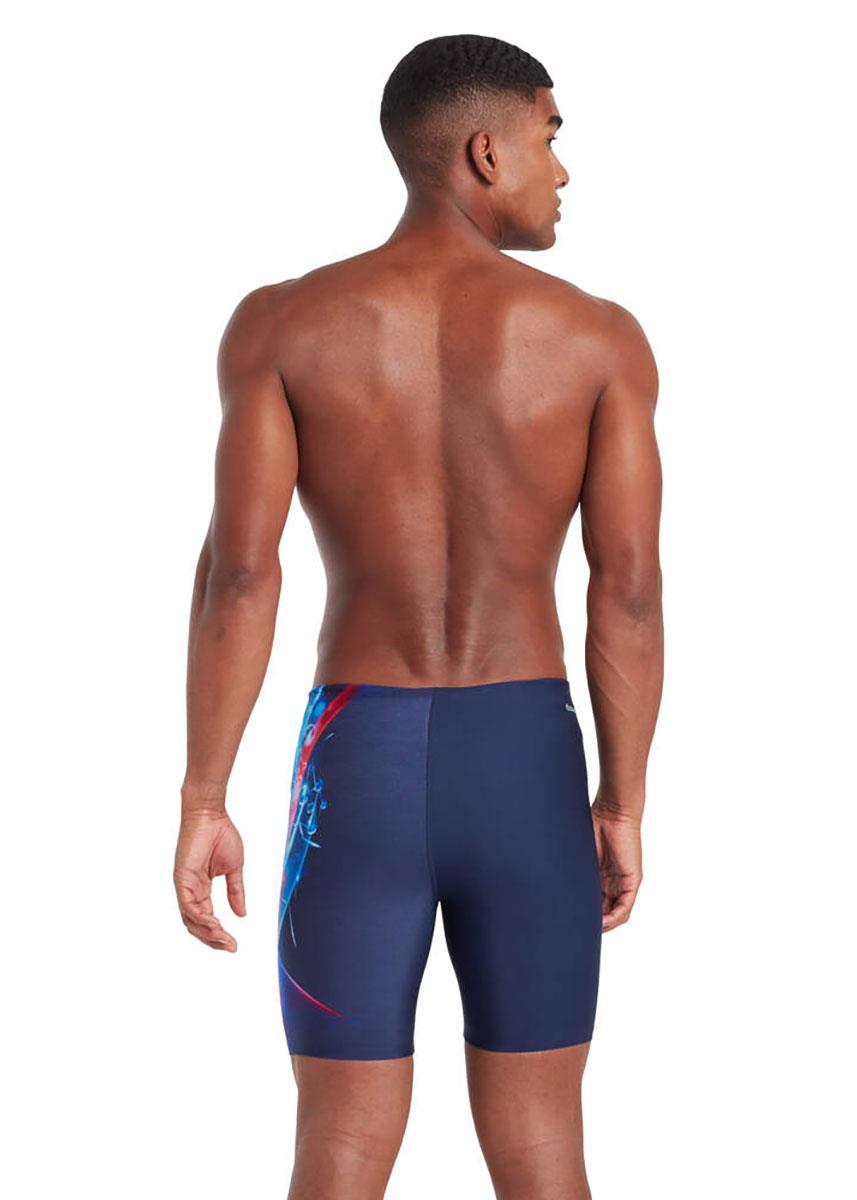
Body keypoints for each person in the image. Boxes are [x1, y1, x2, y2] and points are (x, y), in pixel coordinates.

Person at [173, 32, 663, 1200]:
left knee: (338, 1146)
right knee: (540, 1144)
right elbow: (627, 588)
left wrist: (204, 795)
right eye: (549, 138)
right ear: (486, 152)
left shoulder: (282, 325)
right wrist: (620, 802)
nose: (561, 169)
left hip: (359, 760)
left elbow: (239, 575)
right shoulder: (596, 339)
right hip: (524, 759)